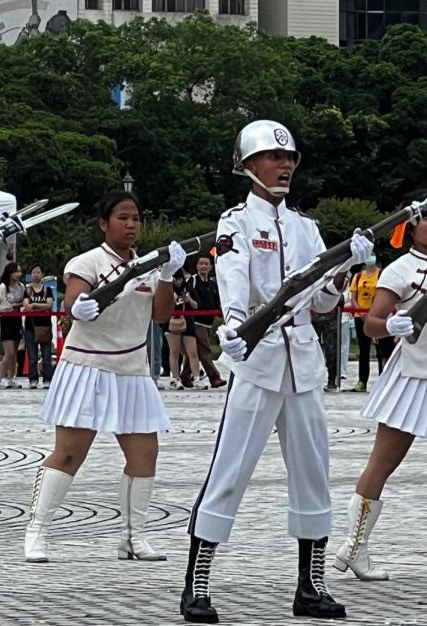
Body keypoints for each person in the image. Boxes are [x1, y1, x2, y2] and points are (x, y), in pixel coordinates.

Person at [180, 121, 373, 623]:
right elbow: (233, 274)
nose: (284, 166)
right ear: (248, 166)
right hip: (258, 358)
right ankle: (197, 583)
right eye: (272, 158)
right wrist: (237, 324)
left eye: (289, 159)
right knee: (230, 469)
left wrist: (343, 270)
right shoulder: (236, 221)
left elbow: (325, 301)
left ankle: (311, 584)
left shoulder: (306, 228)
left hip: (303, 361)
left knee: (313, 471)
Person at [22, 190, 185, 564]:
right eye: (123, 218)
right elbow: (74, 302)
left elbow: (161, 316)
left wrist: (168, 276)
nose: (131, 225)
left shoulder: (149, 265)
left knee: (145, 454)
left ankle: (133, 536)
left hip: (132, 370)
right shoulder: (88, 261)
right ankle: (37, 530)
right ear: (103, 223)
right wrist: (81, 304)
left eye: (136, 219)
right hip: (88, 367)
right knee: (68, 453)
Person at [333, 200, 427, 582]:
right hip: (412, 376)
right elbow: (371, 323)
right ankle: (354, 546)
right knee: (383, 463)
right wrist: (395, 327)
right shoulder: (400, 269)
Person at [183, 256, 226, 388]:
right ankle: (214, 377)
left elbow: (218, 300)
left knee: (195, 351)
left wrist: (223, 314)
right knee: (205, 349)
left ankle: (185, 375)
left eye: (206, 264)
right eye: (201, 263)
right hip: (195, 320)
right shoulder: (193, 280)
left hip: (208, 321)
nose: (203, 266)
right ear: (197, 266)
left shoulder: (213, 283)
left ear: (211, 267)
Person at [166, 270, 205, 390]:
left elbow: (197, 306)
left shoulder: (187, 288)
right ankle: (175, 379)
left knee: (192, 352)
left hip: (188, 321)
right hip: (172, 322)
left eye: (179, 279)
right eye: (175, 279)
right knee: (174, 351)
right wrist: (172, 299)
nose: (177, 282)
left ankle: (197, 378)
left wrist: (188, 299)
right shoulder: (166, 289)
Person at [349, 256, 381, 392]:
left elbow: (382, 295)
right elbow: (353, 298)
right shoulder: (358, 276)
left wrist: (373, 313)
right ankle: (362, 381)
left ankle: (382, 380)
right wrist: (360, 313)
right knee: (364, 350)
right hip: (360, 317)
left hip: (377, 316)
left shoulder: (381, 274)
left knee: (381, 350)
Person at [22, 265, 54, 389]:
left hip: (45, 326)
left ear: (42, 274)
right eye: (34, 272)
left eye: (38, 272)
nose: (36, 274)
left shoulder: (47, 290)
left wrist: (34, 304)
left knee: (46, 355)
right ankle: (33, 379)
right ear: (31, 274)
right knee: (32, 356)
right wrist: (41, 305)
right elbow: (26, 306)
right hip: (30, 326)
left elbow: (49, 305)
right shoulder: (28, 290)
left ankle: (47, 379)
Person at [0, 262, 25, 389]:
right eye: (16, 271)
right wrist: (15, 305)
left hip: (17, 319)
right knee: (8, 352)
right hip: (6, 319)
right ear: (10, 272)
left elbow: (23, 302)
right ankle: (2, 377)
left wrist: (17, 306)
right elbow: (2, 306)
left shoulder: (21, 287)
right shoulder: (3, 287)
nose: (18, 274)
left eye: (19, 271)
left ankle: (11, 377)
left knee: (15, 352)